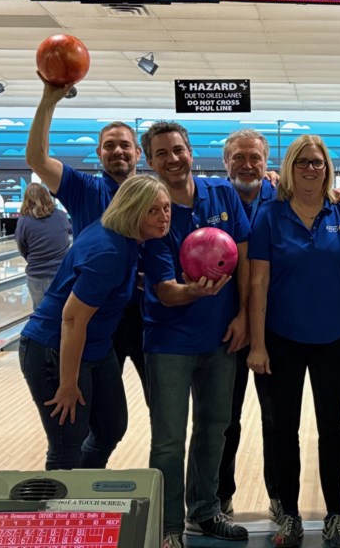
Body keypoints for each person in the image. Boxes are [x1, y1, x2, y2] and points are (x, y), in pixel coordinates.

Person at [247, 134, 340, 548]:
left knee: (331, 430)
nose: (310, 169)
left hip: (332, 338)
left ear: (327, 168)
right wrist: (258, 343)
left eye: (317, 162)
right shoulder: (270, 214)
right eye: (302, 162)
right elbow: (258, 282)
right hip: (281, 339)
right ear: (290, 167)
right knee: (283, 430)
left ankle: (335, 515)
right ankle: (291, 516)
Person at [140, 122, 251, 548]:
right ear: (150, 162)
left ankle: (205, 510)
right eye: (162, 153)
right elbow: (165, 293)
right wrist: (194, 291)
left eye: (178, 149)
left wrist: (242, 315)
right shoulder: (152, 208)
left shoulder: (222, 194)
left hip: (220, 338)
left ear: (191, 152)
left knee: (214, 427)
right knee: (169, 439)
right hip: (169, 343)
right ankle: (168, 524)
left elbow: (243, 260)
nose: (173, 158)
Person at [18, 175, 170, 470]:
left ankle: (84, 492)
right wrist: (67, 383)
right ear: (132, 209)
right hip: (52, 349)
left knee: (111, 427)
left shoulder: (122, 239)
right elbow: (72, 319)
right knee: (67, 443)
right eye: (152, 210)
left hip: (96, 348)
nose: (163, 217)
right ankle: (63, 513)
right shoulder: (110, 251)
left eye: (166, 208)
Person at [25, 76, 148, 402]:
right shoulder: (84, 189)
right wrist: (48, 100)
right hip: (99, 314)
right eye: (109, 145)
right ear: (99, 153)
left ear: (138, 152)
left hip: (148, 314)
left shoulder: (153, 194)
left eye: (124, 145)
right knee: (98, 412)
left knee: (162, 407)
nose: (117, 151)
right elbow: (37, 160)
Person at [216, 128, 282, 521]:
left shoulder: (283, 196)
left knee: (275, 418)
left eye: (254, 157)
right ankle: (220, 496)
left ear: (266, 162)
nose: (247, 164)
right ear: (226, 163)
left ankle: (277, 494)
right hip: (226, 328)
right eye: (238, 157)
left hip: (274, 328)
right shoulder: (211, 196)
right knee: (225, 418)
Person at [16, 183, 71, 310]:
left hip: (36, 275)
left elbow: (22, 247)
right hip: (61, 274)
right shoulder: (61, 216)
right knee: (62, 312)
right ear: (47, 196)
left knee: (40, 313)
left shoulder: (24, 220)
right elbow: (67, 234)